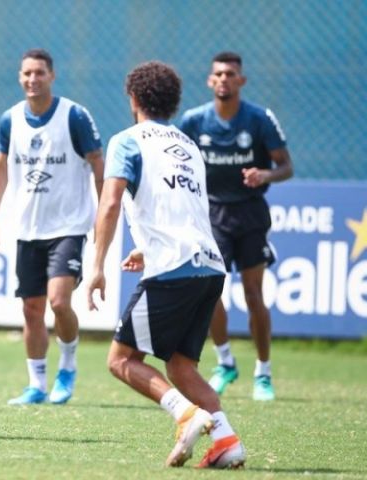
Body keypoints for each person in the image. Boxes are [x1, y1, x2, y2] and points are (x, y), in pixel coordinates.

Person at [87, 61, 246, 468]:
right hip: (208, 265)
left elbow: (109, 204)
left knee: (121, 360)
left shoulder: (127, 140)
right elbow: (186, 206)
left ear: (134, 98)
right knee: (182, 367)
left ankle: (186, 414)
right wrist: (146, 248)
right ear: (172, 103)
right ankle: (227, 443)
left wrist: (97, 266)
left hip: (174, 267)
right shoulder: (189, 146)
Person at [0, 48, 104, 405]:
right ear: (20, 77)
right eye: (26, 74)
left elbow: (98, 164)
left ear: (51, 76)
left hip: (68, 227)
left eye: (39, 73)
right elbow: (1, 168)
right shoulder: (10, 119)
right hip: (27, 229)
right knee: (31, 310)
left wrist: (102, 216)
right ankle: (36, 384)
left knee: (58, 301)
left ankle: (67, 367)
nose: (32, 79)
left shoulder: (74, 116)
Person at [179, 52, 293, 401]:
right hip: (210, 215)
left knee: (253, 294)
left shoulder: (259, 119)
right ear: (210, 81)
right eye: (218, 74)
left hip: (249, 214)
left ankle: (263, 372)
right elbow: (176, 160)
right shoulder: (194, 121)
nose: (224, 79)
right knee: (209, 289)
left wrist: (265, 175)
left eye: (231, 74)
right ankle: (225, 362)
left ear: (241, 80)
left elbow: (286, 166)